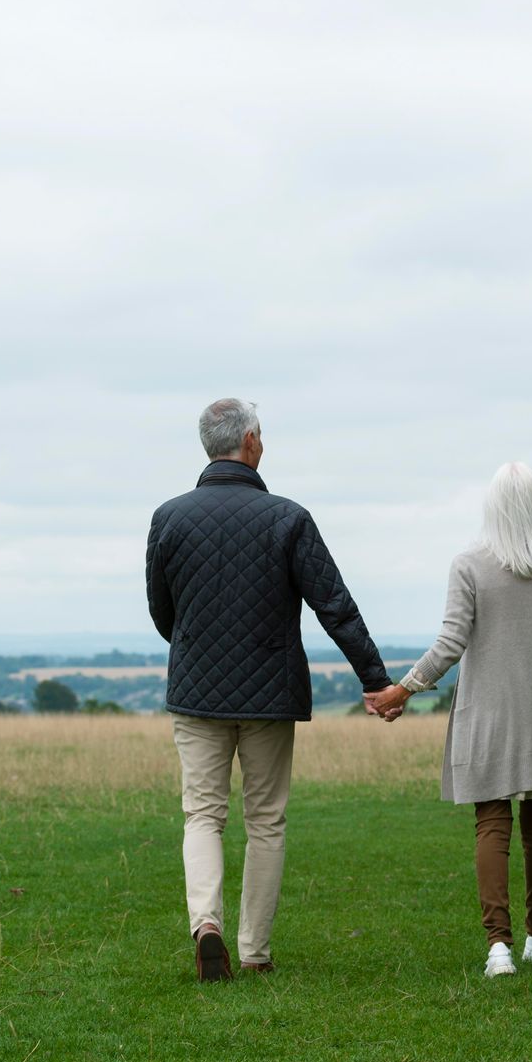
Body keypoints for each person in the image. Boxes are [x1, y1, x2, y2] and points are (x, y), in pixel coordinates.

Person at [146, 399, 393, 982]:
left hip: (195, 690)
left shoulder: (169, 517)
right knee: (265, 821)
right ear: (251, 442)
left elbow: (163, 614)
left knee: (202, 815)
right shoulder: (288, 517)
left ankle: (205, 925)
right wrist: (376, 680)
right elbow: (335, 605)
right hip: (269, 693)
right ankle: (253, 950)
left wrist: (197, 646)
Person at [365, 463, 532, 977]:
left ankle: (499, 948)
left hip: (486, 714)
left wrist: (400, 691)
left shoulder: (469, 564)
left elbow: (450, 642)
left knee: (491, 822)